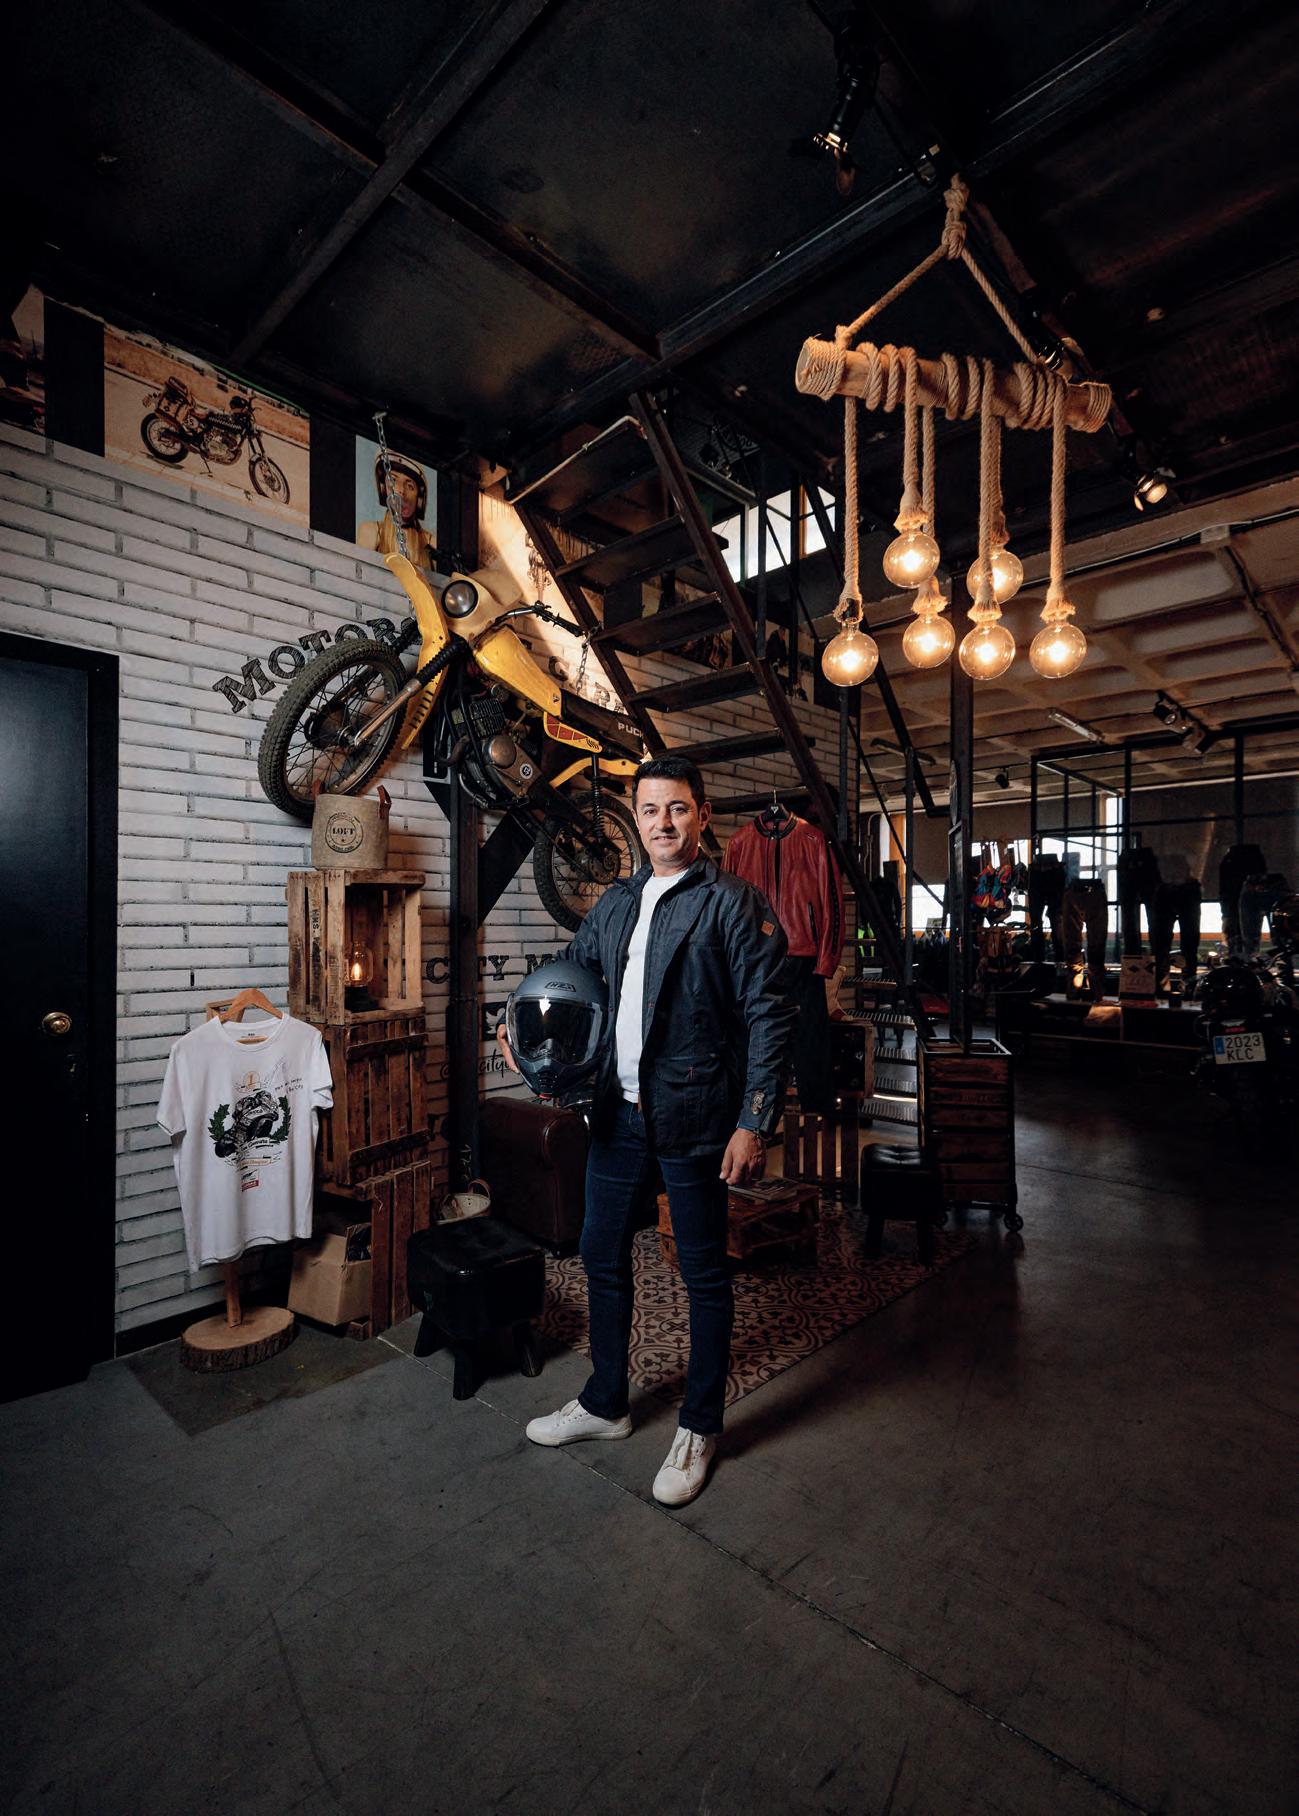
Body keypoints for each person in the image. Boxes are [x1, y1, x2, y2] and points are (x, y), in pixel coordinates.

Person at [498, 755, 796, 1507]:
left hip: (697, 1117)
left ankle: (699, 1425)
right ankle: (606, 1403)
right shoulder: (616, 903)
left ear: (702, 816)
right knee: (601, 1252)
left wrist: (753, 1120)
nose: (664, 822)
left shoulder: (732, 902)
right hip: (617, 1114)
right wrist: (522, 1030)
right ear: (635, 818)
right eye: (651, 809)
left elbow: (769, 1013)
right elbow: (571, 977)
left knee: (702, 1273)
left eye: (678, 808)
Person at [357, 451, 437, 570]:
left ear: (419, 499)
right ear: (384, 488)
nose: (401, 491)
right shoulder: (371, 531)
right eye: (393, 480)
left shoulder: (431, 543)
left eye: (410, 486)